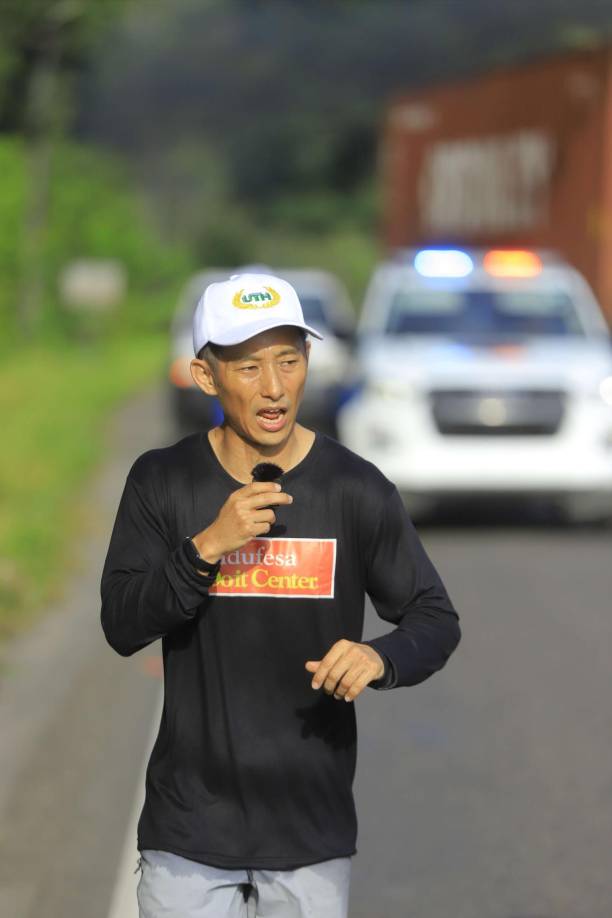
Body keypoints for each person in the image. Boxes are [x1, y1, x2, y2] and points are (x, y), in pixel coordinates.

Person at [100, 271, 461, 918]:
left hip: (309, 829)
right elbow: (122, 625)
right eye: (248, 366)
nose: (273, 387)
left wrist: (382, 658)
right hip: (189, 828)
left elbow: (433, 618)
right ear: (206, 376)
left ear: (309, 363)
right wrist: (206, 548)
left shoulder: (356, 489)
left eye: (289, 361)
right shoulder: (163, 481)